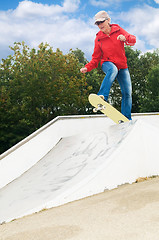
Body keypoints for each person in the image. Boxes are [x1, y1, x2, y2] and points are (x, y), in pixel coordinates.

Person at [80, 10, 136, 120]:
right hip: (107, 64)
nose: (100, 25)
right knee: (113, 70)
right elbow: (96, 58)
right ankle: (102, 96)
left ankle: (126, 119)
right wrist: (87, 67)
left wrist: (125, 39)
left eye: (101, 22)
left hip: (122, 66)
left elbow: (133, 40)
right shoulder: (98, 38)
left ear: (108, 20)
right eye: (97, 23)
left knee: (127, 93)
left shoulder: (118, 30)